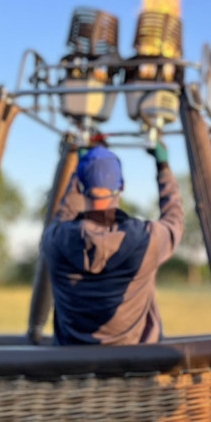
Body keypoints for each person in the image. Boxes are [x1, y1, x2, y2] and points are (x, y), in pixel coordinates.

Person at [42, 144, 183, 345]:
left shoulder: (54, 239)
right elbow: (174, 219)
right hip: (136, 367)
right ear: (122, 186)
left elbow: (64, 214)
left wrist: (79, 171)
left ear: (81, 187)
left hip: (71, 371)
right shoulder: (146, 238)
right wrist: (163, 168)